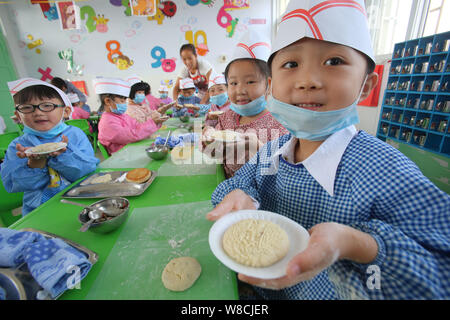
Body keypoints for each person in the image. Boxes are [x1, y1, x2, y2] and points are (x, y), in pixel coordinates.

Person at [206, 0, 450, 300]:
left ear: (366, 85)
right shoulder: (273, 153)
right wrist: (241, 195)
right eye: (291, 64)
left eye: (334, 61)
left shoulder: (386, 169)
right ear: (272, 85)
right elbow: (237, 185)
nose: (308, 81)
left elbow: (441, 275)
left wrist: (359, 245)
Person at [1, 78, 98, 216]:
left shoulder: (75, 135)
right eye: (27, 108)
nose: (38, 112)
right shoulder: (18, 147)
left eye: (47, 106)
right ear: (18, 116)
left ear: (65, 111)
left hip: (83, 201)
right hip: (40, 209)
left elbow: (87, 171)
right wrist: (35, 164)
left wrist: (64, 155)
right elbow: (12, 184)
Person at [201, 30, 288, 178]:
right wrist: (208, 139)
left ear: (269, 84)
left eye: (250, 82)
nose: (240, 90)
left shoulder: (281, 124)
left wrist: (258, 147)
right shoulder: (226, 118)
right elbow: (214, 153)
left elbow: (285, 174)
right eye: (233, 83)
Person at [95, 77, 165, 155]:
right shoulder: (107, 122)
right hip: (122, 156)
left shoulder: (122, 116)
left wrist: (156, 122)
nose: (125, 103)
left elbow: (138, 126)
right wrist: (153, 122)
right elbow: (132, 135)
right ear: (108, 101)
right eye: (122, 101)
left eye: (125, 100)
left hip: (131, 150)